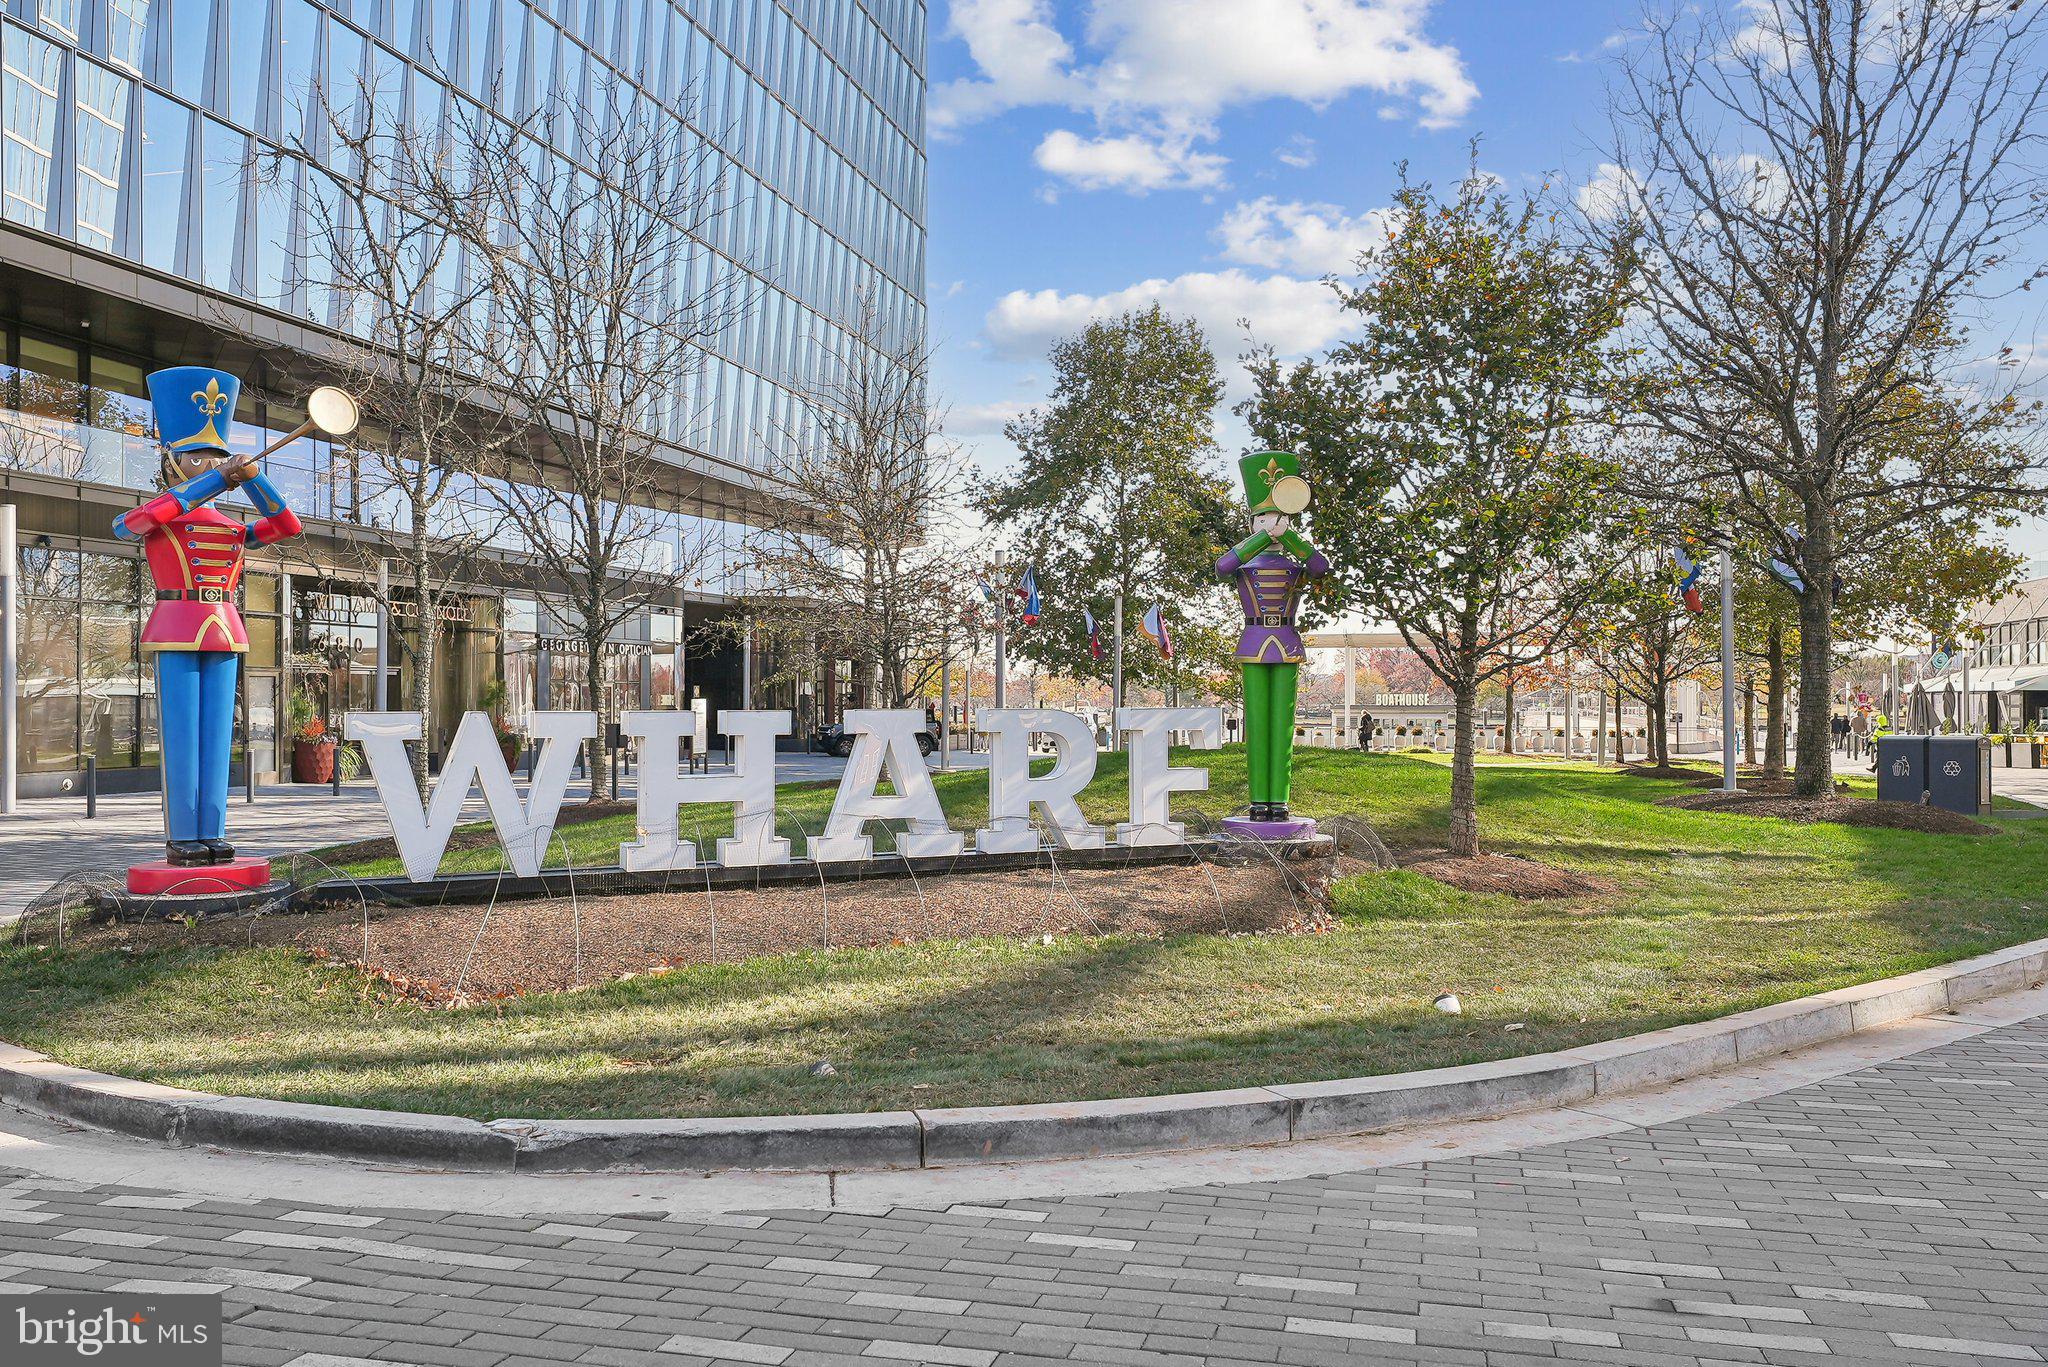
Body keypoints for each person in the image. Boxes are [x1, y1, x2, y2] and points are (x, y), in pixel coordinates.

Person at [113, 368, 302, 866]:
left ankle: (213, 829)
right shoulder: (162, 511)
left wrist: (255, 479)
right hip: (176, 623)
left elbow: (286, 524)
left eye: (216, 456)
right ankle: (182, 836)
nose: (207, 464)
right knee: (181, 735)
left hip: (223, 625)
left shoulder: (232, 527)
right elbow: (128, 525)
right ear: (171, 461)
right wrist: (219, 479)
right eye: (196, 456)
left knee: (219, 737)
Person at [1216, 450, 1329, 824]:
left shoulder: (1296, 560)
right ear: (1252, 523)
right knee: (1258, 722)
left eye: (1278, 517)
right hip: (1252, 641)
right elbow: (1223, 566)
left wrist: (1290, 536)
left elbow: (1320, 566)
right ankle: (1257, 801)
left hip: (1287, 640)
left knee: (1281, 724)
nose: (1272, 524)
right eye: (1263, 518)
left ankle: (1278, 800)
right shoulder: (1244, 561)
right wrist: (1261, 538)